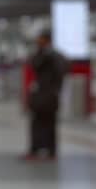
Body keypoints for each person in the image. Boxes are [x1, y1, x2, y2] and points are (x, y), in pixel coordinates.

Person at [24, 30, 67, 161]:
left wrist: (56, 89)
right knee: (36, 123)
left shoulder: (55, 56)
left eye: (40, 39)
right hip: (40, 95)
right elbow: (34, 64)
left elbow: (62, 71)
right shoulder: (42, 54)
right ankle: (35, 149)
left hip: (49, 95)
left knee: (49, 124)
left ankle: (50, 151)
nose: (38, 41)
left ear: (46, 40)